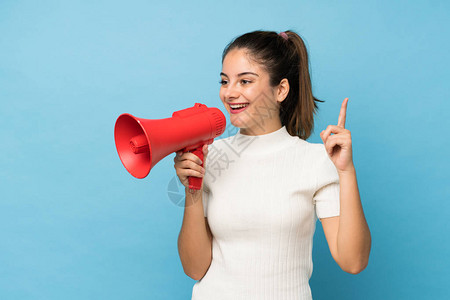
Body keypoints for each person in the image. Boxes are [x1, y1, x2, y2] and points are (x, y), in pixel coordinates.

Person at [175, 30, 371, 300]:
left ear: (281, 90)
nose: (229, 93)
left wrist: (346, 172)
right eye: (224, 81)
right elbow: (195, 268)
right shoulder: (212, 156)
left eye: (245, 81)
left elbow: (353, 261)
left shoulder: (315, 161)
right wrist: (192, 190)